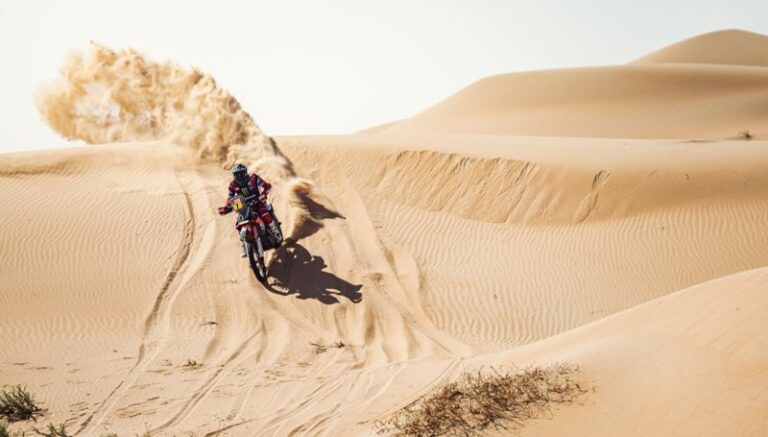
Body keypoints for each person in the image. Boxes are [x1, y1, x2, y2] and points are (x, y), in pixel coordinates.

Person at [218, 163, 282, 256]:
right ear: (233, 175)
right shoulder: (232, 185)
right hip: (243, 207)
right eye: (237, 174)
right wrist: (225, 207)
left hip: (258, 202)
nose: (239, 176)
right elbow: (230, 198)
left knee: (264, 214)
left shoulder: (254, 178)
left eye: (241, 173)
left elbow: (267, 186)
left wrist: (263, 194)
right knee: (238, 223)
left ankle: (276, 232)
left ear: (245, 172)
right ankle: (244, 244)